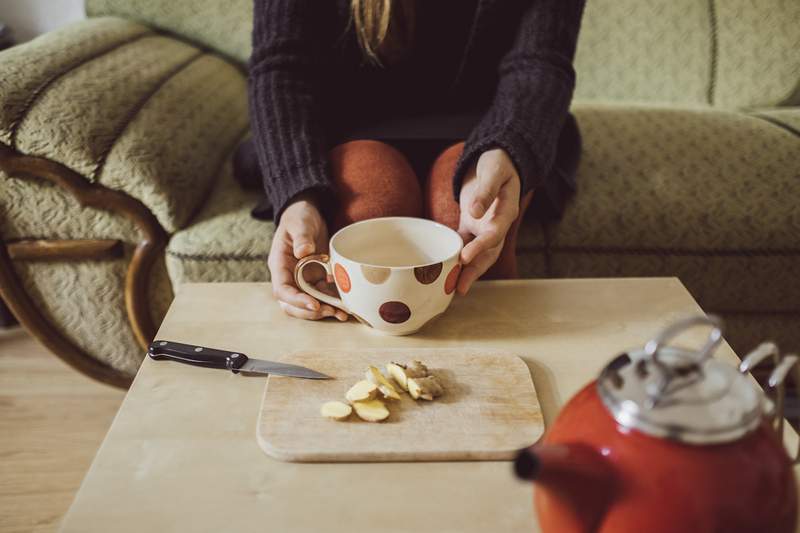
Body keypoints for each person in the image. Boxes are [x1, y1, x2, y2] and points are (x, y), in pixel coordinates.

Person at [236, 0, 585, 321]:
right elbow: (281, 65)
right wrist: (298, 196)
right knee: (369, 222)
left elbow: (541, 60)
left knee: (465, 235)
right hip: (343, 125)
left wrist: (509, 148)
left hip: (491, 120)